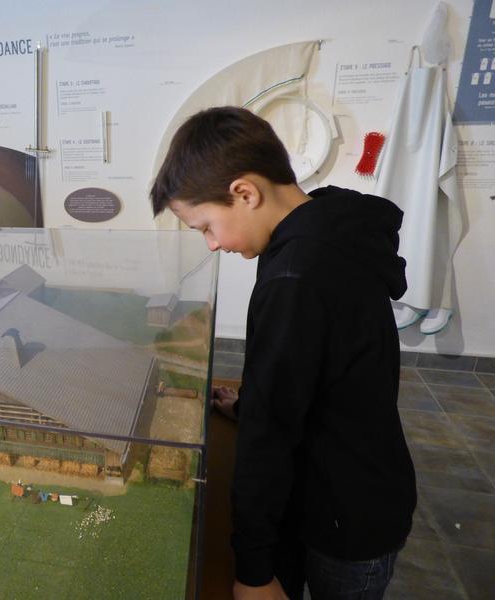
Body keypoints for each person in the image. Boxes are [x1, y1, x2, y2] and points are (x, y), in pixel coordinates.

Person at [150, 107, 416, 600]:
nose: (210, 245)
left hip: (342, 518)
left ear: (244, 193)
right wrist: (250, 404)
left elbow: (268, 439)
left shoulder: (295, 276)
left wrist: (253, 571)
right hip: (369, 488)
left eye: (205, 226)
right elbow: (310, 380)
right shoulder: (326, 228)